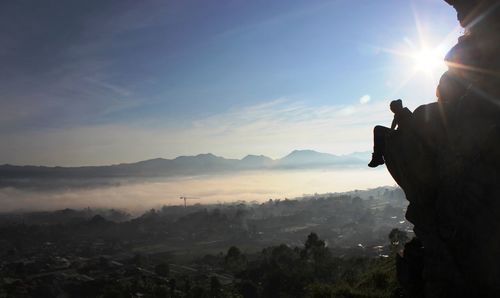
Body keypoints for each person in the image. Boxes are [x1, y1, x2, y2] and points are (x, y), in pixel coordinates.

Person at [368, 99, 413, 168]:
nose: (391, 109)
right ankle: (378, 156)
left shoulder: (402, 112)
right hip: (402, 134)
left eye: (392, 107)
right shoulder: (403, 112)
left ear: (396, 107)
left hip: (402, 135)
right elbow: (394, 124)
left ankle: (378, 157)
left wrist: (391, 133)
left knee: (378, 129)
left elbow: (394, 125)